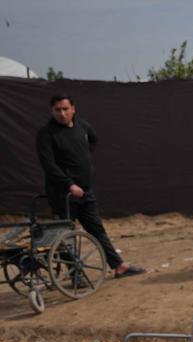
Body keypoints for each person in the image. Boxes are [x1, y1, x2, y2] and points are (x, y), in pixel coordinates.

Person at [35, 94, 144, 278]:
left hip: (86, 191)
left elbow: (93, 139)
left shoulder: (82, 126)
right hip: (63, 194)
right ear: (51, 111)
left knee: (97, 229)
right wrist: (69, 184)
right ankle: (75, 275)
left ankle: (119, 266)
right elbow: (49, 166)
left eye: (65, 109)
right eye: (57, 110)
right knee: (65, 235)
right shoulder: (46, 134)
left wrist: (84, 159)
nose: (62, 113)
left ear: (73, 109)